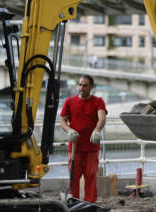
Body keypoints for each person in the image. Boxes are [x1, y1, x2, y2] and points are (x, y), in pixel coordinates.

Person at [60, 74, 107, 203]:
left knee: (91, 177)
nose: (81, 88)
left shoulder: (98, 101)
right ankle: (74, 202)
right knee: (74, 177)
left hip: (92, 146)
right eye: (80, 85)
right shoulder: (69, 102)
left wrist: (97, 130)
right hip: (75, 147)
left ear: (91, 87)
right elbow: (63, 121)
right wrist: (69, 130)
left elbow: (102, 118)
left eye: (85, 85)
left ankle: (90, 204)